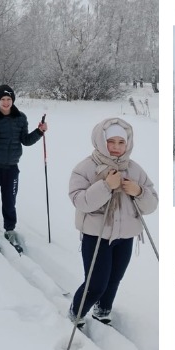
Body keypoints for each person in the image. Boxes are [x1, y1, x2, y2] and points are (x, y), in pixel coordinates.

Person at [68, 117, 158, 329]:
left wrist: (138, 191)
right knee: (96, 282)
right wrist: (106, 186)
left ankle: (103, 309)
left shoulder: (134, 169)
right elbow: (80, 201)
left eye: (121, 142)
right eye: (111, 141)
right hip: (96, 235)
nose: (116, 147)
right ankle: (76, 311)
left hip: (125, 236)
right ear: (101, 141)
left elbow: (151, 204)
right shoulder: (86, 168)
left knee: (114, 279)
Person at [0, 84, 47, 247]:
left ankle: (9, 229)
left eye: (9, 99)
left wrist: (39, 132)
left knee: (9, 200)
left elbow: (25, 140)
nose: (6, 102)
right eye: (3, 99)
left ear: (13, 100)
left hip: (12, 167)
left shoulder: (21, 118)